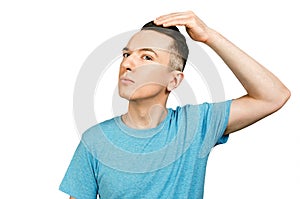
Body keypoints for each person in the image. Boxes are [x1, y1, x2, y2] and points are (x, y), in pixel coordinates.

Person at [59, 11, 290, 199]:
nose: (128, 63)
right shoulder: (95, 140)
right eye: (126, 54)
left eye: (146, 57)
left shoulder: (196, 125)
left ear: (174, 80)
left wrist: (209, 36)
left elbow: (274, 96)